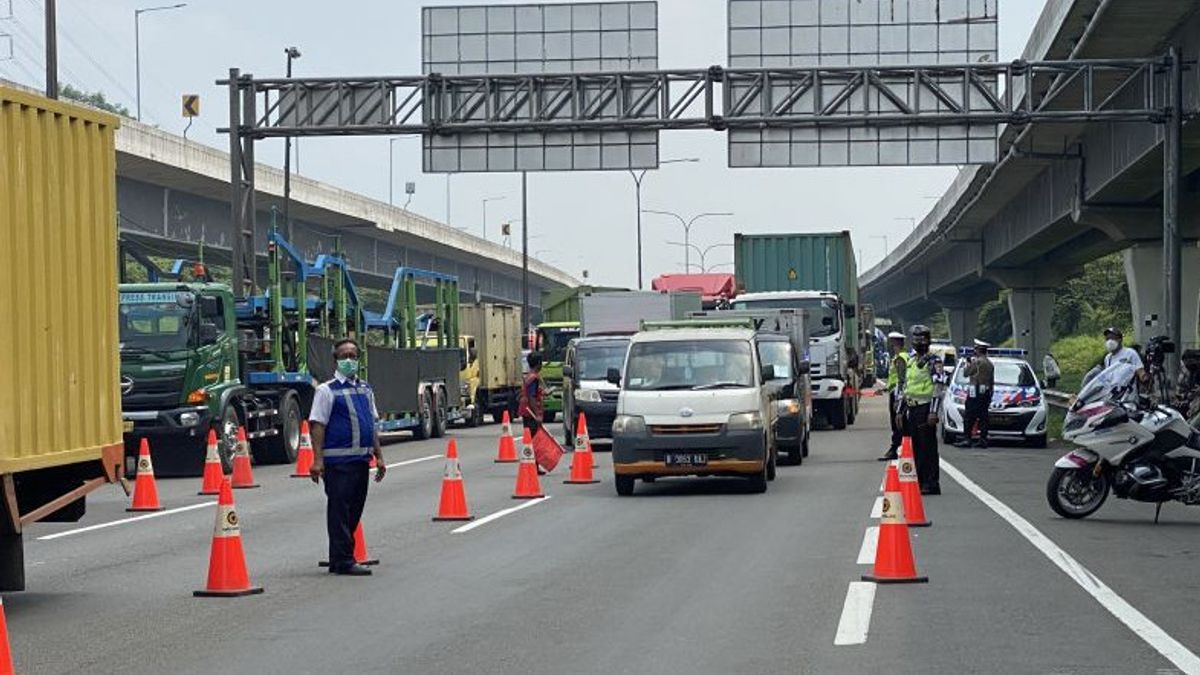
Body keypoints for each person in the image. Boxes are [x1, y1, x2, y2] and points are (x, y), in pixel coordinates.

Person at [308, 338, 386, 577]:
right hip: (337, 462)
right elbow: (317, 425)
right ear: (336, 360)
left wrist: (379, 456)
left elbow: (370, 424)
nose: (349, 360)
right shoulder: (326, 390)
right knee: (340, 511)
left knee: (354, 510)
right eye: (344, 356)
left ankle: (339, 557)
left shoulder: (365, 388)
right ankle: (343, 560)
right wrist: (317, 460)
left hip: (361, 461)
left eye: (353, 355)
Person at [898, 325, 945, 495]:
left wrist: (933, 411)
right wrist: (900, 409)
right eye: (915, 339)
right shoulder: (910, 360)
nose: (918, 342)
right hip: (912, 408)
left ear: (928, 341)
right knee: (915, 447)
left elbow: (938, 386)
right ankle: (918, 480)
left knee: (928, 447)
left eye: (921, 339)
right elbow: (906, 386)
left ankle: (931, 483)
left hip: (926, 408)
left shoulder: (933, 361)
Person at [956, 340, 995, 449]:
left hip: (975, 392)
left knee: (969, 416)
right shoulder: (990, 363)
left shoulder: (976, 362)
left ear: (978, 350)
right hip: (986, 392)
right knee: (983, 417)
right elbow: (992, 381)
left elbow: (965, 373)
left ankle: (967, 439)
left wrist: (968, 364)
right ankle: (983, 440)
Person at [879, 331, 908, 461]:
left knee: (897, 423)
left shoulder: (900, 359)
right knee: (898, 423)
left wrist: (898, 398)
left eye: (893, 344)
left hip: (898, 395)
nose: (891, 347)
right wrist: (887, 387)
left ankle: (895, 448)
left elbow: (901, 380)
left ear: (897, 344)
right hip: (894, 392)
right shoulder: (901, 357)